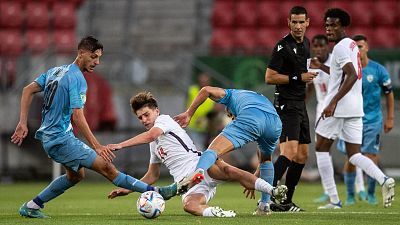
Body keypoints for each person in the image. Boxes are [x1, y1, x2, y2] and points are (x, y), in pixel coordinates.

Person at [10, 36, 178, 219]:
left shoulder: (56, 71)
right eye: (93, 57)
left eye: (99, 58)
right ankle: (158, 191)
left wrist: (22, 122)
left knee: (75, 176)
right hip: (60, 138)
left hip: (53, 137)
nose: (97, 62)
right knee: (107, 168)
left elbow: (27, 89)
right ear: (81, 53)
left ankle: (31, 206)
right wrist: (97, 145)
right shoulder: (77, 79)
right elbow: (78, 116)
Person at [106, 91, 288, 217]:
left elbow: (151, 134)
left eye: (146, 115)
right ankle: (216, 213)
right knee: (189, 206)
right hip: (186, 184)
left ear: (156, 111)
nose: (144, 120)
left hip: (199, 165)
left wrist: (120, 145)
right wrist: (128, 189)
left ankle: (272, 190)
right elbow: (152, 175)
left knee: (227, 170)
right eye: (140, 118)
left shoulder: (164, 121)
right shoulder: (154, 144)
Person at [311, 8, 395, 209]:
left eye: (334, 25)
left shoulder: (340, 47)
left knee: (321, 149)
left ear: (343, 26)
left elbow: (351, 75)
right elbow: (343, 73)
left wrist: (332, 102)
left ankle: (334, 200)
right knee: (355, 154)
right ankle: (384, 179)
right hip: (356, 108)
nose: (329, 29)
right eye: (327, 25)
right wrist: (321, 67)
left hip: (338, 107)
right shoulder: (351, 45)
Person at [174, 86, 287, 215]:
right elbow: (263, 160)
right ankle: (264, 206)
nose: (232, 118)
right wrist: (255, 178)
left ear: (227, 107)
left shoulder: (229, 95)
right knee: (267, 160)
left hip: (251, 117)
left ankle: (196, 173)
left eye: (230, 115)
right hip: (275, 123)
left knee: (212, 151)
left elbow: (206, 90)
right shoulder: (251, 96)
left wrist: (189, 113)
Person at [264, 6, 317, 212]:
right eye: (294, 22)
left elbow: (304, 73)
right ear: (288, 23)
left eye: (301, 22)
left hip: (300, 104)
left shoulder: (306, 43)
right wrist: (297, 78)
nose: (297, 26)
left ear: (307, 23)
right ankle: (266, 195)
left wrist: (306, 84)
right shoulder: (282, 46)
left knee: (302, 155)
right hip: (286, 104)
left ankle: (286, 200)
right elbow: (269, 77)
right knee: (289, 151)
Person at [336, 34, 395, 206]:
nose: (359, 50)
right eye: (356, 47)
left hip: (373, 120)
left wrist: (390, 117)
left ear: (367, 48)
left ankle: (371, 194)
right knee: (351, 157)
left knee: (371, 157)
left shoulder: (378, 70)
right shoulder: (347, 70)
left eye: (361, 46)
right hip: (352, 119)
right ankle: (350, 196)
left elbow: (389, 94)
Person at [306, 34, 334, 204]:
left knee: (351, 150)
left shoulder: (335, 61)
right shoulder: (310, 64)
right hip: (321, 110)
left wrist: (321, 66)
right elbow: (309, 87)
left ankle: (358, 189)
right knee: (322, 150)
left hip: (339, 109)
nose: (318, 49)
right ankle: (327, 190)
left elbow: (341, 77)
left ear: (327, 47)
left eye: (321, 46)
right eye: (315, 46)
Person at [186, 73, 215, 151]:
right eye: (202, 81)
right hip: (193, 125)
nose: (204, 83)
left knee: (204, 148)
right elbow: (188, 104)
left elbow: (214, 109)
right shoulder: (192, 90)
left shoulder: (212, 93)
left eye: (206, 81)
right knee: (197, 148)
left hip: (206, 127)